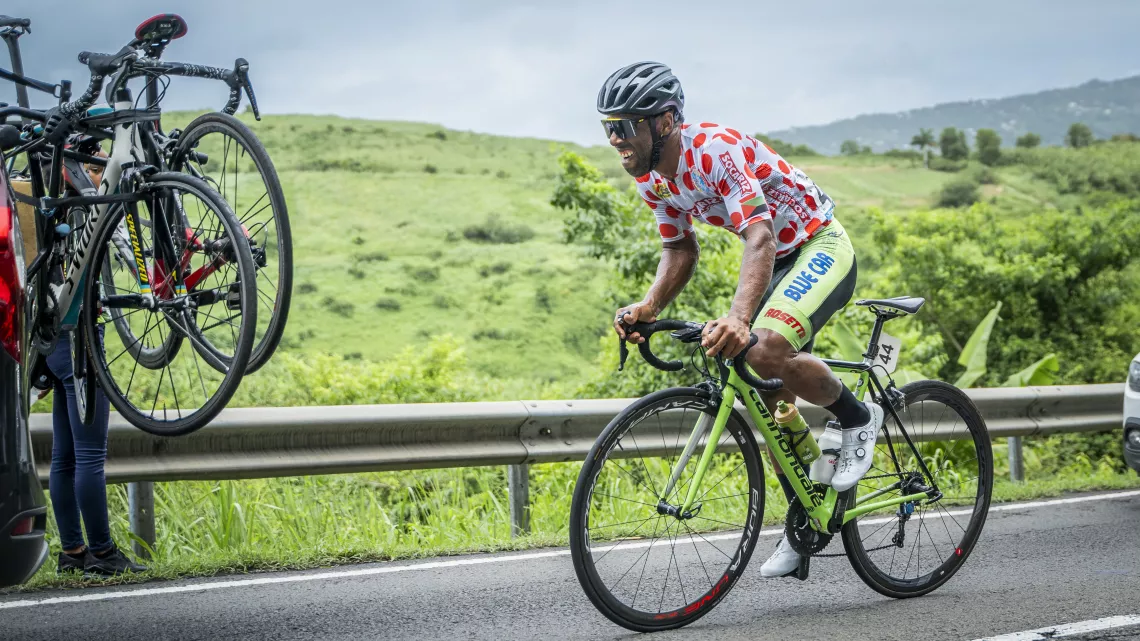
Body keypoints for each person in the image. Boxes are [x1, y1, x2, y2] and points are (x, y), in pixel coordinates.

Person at [600, 61, 883, 578]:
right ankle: (808, 507)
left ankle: (857, 418)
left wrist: (737, 316)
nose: (616, 138)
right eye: (608, 127)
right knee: (765, 388)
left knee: (762, 348)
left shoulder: (715, 149)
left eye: (626, 126)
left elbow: (760, 236)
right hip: (776, 260)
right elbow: (679, 249)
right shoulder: (653, 180)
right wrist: (649, 307)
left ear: (663, 122)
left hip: (817, 244)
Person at [44, 149, 147, 577]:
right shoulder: (91, 202)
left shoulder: (47, 200)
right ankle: (103, 554)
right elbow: (129, 256)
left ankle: (72, 552)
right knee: (89, 454)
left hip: (48, 338)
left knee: (63, 455)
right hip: (82, 337)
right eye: (98, 162)